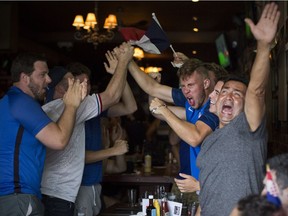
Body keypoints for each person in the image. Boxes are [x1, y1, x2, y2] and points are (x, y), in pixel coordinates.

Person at [197, 3, 280, 216]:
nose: (229, 96)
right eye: (225, 91)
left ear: (245, 106)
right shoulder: (209, 138)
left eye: (237, 94)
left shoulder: (249, 128)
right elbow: (207, 191)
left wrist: (263, 46)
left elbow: (257, 91)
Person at [41, 42, 134, 216]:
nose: (83, 86)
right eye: (74, 82)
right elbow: (112, 96)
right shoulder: (65, 107)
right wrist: (123, 63)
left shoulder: (45, 110)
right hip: (63, 193)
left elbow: (128, 106)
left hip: (53, 191)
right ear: (60, 88)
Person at [0, 52, 86, 215]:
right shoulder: (21, 102)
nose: (49, 80)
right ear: (25, 77)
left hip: (14, 197)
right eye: (42, 75)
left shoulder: (8, 101)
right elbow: (59, 140)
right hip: (17, 198)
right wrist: (71, 105)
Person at [70, 49, 137, 216]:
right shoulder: (70, 112)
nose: (86, 87)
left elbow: (130, 107)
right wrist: (112, 150)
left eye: (88, 83)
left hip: (95, 184)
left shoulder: (94, 109)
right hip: (79, 185)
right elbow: (77, 155)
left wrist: (119, 74)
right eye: (81, 83)